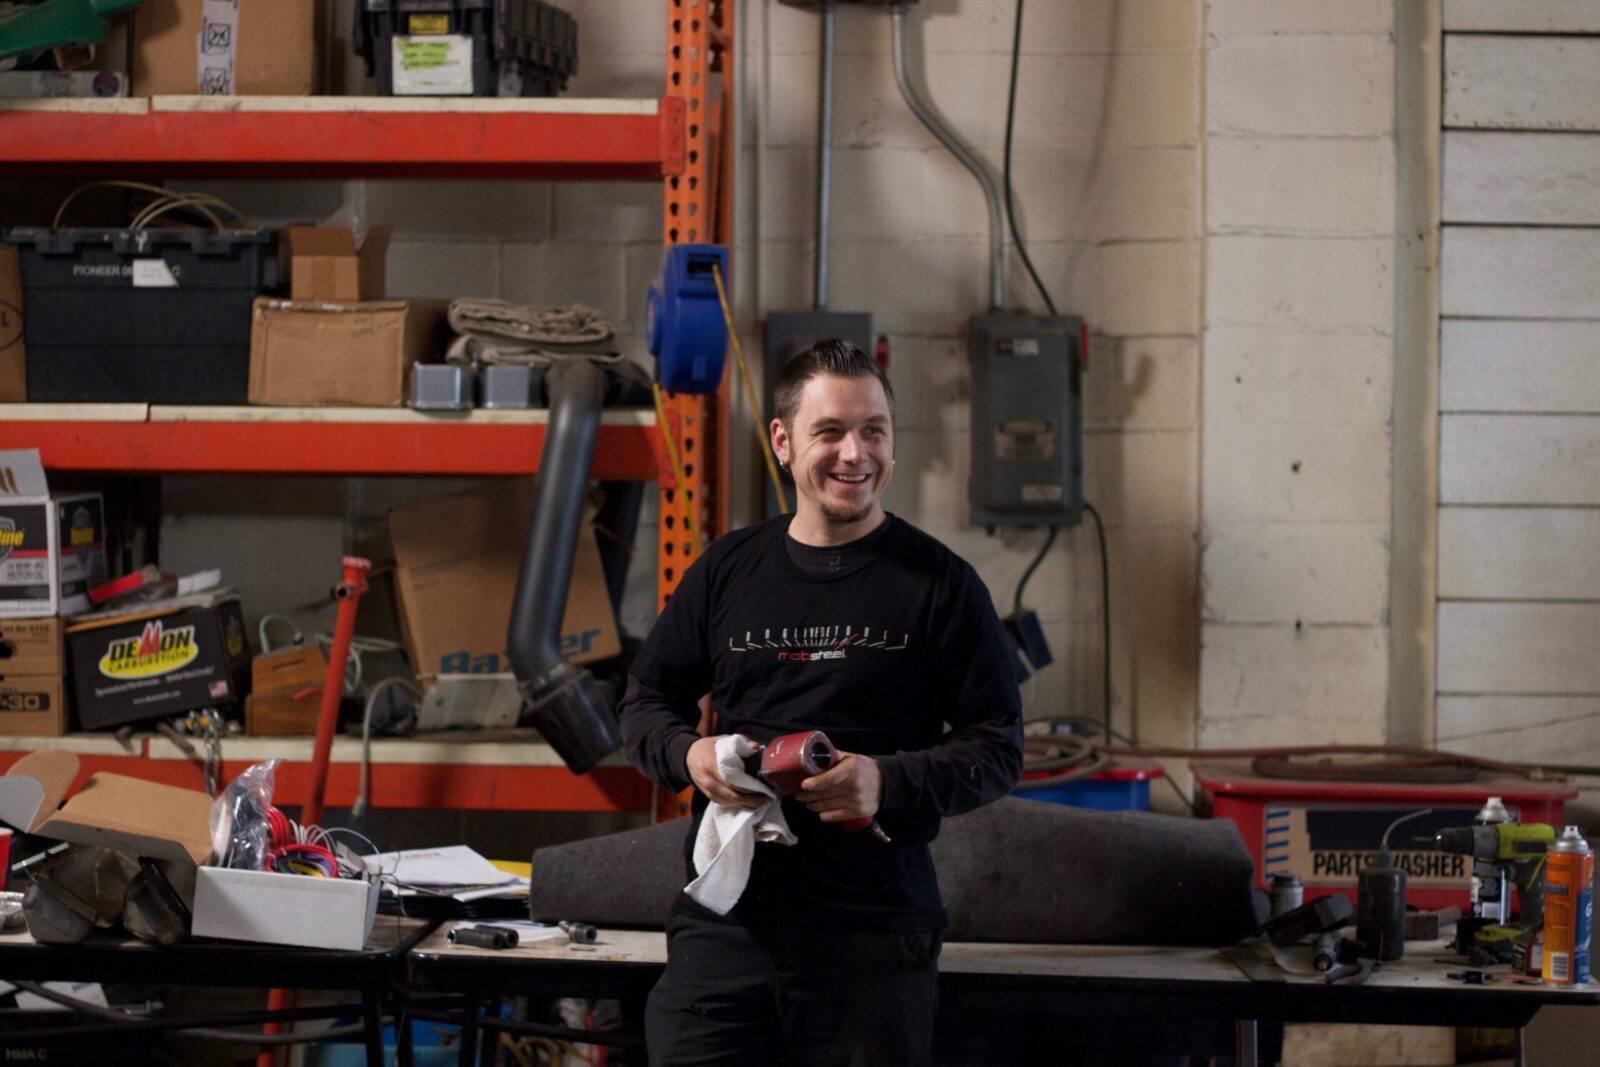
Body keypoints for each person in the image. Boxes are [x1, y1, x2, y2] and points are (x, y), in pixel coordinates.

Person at [618, 338, 1022, 1066]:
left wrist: (887, 780)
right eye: (829, 431)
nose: (854, 454)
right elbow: (645, 700)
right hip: (727, 923)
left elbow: (998, 745)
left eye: (874, 431)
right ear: (782, 442)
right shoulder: (726, 570)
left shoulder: (943, 584)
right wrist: (690, 754)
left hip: (874, 934)